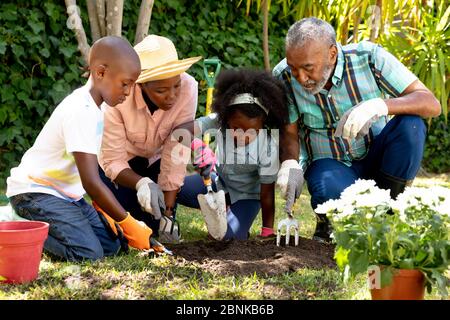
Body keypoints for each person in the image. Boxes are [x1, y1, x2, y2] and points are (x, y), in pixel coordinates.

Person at [273, 17, 441, 242]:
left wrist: (380, 106)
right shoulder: (283, 75)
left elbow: (431, 103)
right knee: (330, 193)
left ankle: (389, 214)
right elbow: (290, 132)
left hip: (378, 158)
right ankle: (330, 223)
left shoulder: (369, 57)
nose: (301, 78)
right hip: (329, 165)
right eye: (294, 68)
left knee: (412, 124)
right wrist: (290, 163)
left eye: (308, 68)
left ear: (332, 54)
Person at [6, 36, 153, 261]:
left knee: (113, 247)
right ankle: (20, 226)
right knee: (88, 254)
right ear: (101, 72)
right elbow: (92, 182)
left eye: (132, 85)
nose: (128, 91)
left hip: (66, 196)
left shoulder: (97, 110)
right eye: (125, 83)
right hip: (36, 193)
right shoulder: (80, 110)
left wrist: (111, 216)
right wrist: (128, 221)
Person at [98, 35, 201, 243]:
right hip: (121, 168)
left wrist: (169, 216)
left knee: (154, 225)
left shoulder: (189, 88)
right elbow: (112, 160)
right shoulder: (118, 97)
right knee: (125, 230)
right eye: (161, 90)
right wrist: (141, 183)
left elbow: (176, 152)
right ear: (141, 85)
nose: (172, 96)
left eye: (176, 86)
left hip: (156, 161)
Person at [175, 69, 288, 240]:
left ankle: (236, 219)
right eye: (236, 128)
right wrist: (198, 146)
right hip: (218, 183)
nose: (243, 135)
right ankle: (168, 223)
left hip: (247, 197)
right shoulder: (219, 120)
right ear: (226, 119)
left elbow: (266, 193)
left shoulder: (268, 147)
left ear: (263, 123)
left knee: (225, 238)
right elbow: (180, 132)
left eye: (252, 131)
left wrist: (267, 230)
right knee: (173, 187)